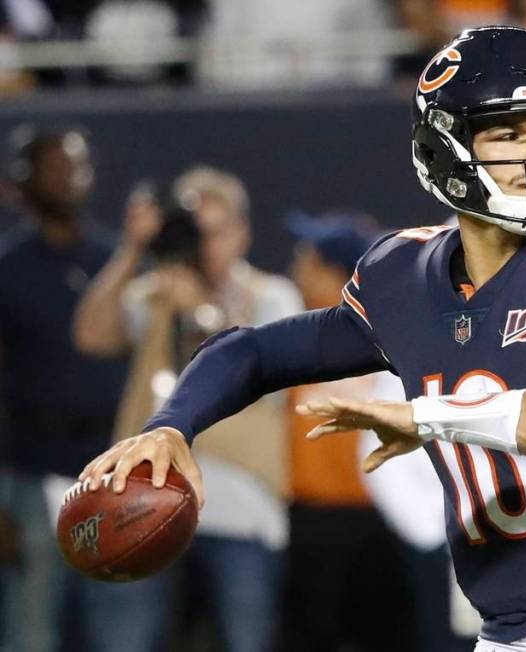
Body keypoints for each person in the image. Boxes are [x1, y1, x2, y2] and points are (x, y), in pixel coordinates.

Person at [79, 27, 526, 651]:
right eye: (508, 134)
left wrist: (430, 417)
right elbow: (252, 351)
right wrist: (172, 426)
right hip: (515, 630)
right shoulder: (404, 275)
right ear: (444, 147)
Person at [73, 166, 302, 651]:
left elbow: (269, 379)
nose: (204, 246)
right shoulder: (157, 296)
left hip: (242, 508)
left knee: (246, 642)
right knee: (127, 641)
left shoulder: (272, 296)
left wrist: (201, 310)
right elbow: (91, 334)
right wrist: (132, 249)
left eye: (214, 233)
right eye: (193, 233)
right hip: (140, 505)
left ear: (241, 233)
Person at [0, 126, 129, 652]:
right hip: (33, 476)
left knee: (122, 632)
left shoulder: (116, 260)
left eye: (78, 166)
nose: (72, 178)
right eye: (57, 168)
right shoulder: (8, 268)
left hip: (116, 478)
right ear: (25, 183)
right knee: (31, 632)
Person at [281, 212, 416, 652]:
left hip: (380, 528)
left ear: (336, 274)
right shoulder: (294, 337)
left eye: (308, 258)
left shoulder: (394, 341)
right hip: (310, 522)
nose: (297, 267)